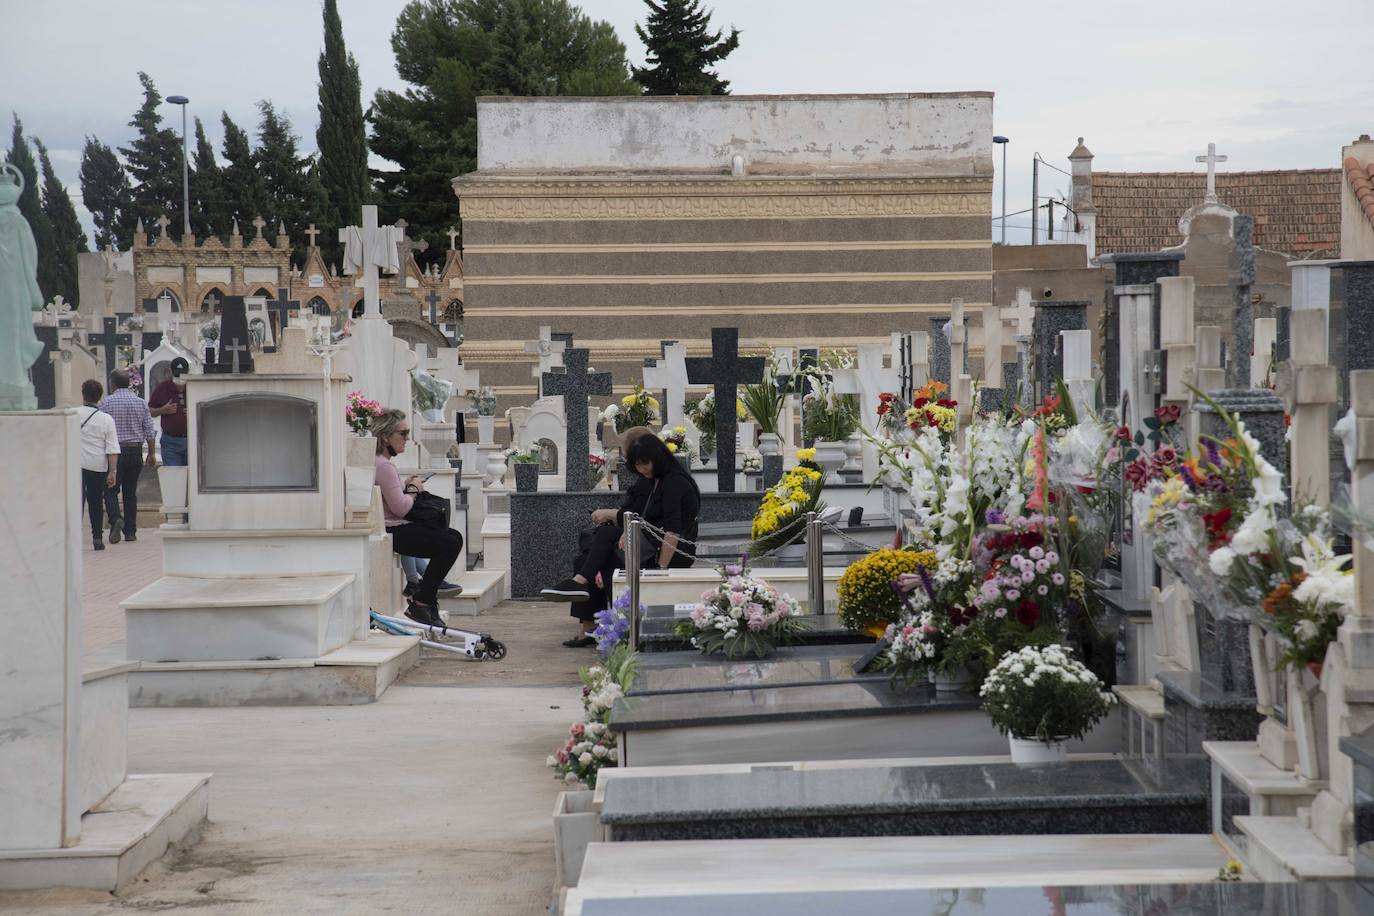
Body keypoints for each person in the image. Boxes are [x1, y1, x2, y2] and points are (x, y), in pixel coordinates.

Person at [541, 428, 701, 647]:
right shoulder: (656, 478)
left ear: (658, 458)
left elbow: (672, 531)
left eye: (644, 463)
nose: (641, 469)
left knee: (603, 542)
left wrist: (661, 571)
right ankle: (597, 625)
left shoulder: (674, 482)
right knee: (598, 557)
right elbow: (643, 516)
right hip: (652, 542)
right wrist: (628, 531)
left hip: (672, 552)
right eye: (636, 465)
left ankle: (582, 588)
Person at [372, 408, 464, 627]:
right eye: (403, 433)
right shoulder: (383, 466)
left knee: (454, 537)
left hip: (395, 526)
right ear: (386, 437)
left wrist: (405, 486)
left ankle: (425, 599)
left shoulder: (382, 464)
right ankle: (422, 603)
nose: (407, 438)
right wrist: (413, 489)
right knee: (449, 543)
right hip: (394, 529)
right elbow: (401, 508)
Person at [100, 368, 156, 544]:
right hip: (135, 450)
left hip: (115, 452)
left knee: (110, 489)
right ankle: (130, 532)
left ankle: (116, 518)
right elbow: (149, 429)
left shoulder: (106, 403)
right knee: (130, 492)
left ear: (112, 383)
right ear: (129, 383)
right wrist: (152, 453)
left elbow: (102, 428)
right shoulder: (140, 402)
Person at [78, 379, 120, 551]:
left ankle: (74, 537)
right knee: (96, 502)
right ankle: (97, 538)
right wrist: (113, 471)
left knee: (76, 501)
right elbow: (112, 448)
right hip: (97, 464)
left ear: (83, 394)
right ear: (99, 396)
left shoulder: (72, 414)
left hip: (76, 464)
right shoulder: (107, 419)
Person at [148, 356, 189, 466]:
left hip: (191, 439)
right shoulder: (162, 388)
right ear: (171, 372)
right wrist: (163, 410)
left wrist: (193, 412)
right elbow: (149, 412)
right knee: (173, 476)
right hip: (170, 442)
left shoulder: (193, 387)